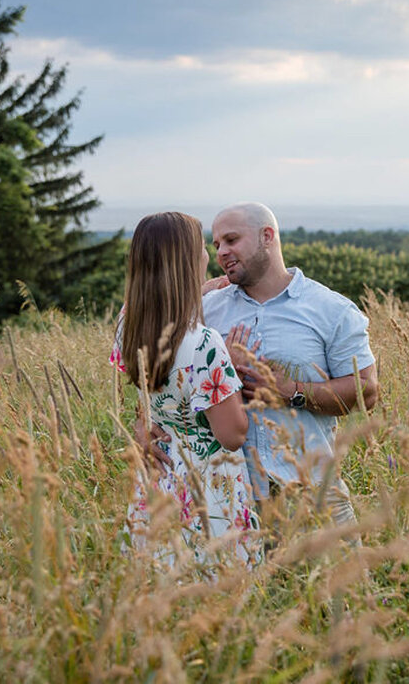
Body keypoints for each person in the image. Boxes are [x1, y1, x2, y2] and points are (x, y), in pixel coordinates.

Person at [204, 202, 378, 529]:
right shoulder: (205, 310)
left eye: (231, 240)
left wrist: (289, 392)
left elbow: (366, 392)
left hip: (312, 492)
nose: (221, 252)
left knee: (343, 580)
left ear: (267, 236)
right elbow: (160, 369)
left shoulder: (331, 310)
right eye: (216, 245)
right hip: (231, 499)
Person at [110, 211, 260, 573]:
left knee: (163, 584)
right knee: (217, 588)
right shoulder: (205, 344)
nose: (210, 254)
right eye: (202, 248)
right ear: (188, 259)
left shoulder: (127, 324)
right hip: (207, 487)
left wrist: (204, 288)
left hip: (159, 476)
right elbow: (232, 434)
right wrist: (232, 368)